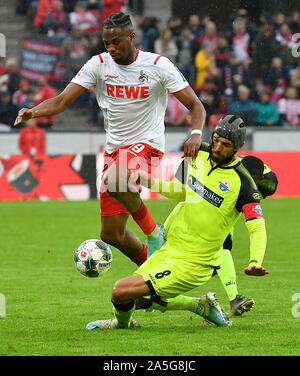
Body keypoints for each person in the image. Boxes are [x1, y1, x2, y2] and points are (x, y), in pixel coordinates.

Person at [13, 12, 206, 268]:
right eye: (107, 43)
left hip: (147, 145)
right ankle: (154, 276)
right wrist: (33, 111)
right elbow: (61, 101)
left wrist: (195, 134)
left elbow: (195, 105)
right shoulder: (99, 64)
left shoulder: (158, 65)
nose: (112, 48)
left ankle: (154, 232)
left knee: (115, 178)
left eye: (117, 42)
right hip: (115, 151)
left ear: (132, 37)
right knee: (111, 234)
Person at [85, 115, 269, 330]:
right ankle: (197, 307)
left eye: (225, 145)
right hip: (169, 249)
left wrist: (255, 261)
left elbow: (256, 226)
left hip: (195, 263)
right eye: (216, 139)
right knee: (131, 299)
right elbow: (181, 192)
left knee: (120, 290)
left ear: (239, 146)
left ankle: (130, 322)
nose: (217, 147)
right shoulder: (198, 152)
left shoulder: (243, 183)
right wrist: (144, 178)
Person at [216, 155, 278, 316]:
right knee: (222, 246)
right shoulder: (226, 165)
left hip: (232, 202)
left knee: (223, 246)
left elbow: (256, 222)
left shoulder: (268, 183)